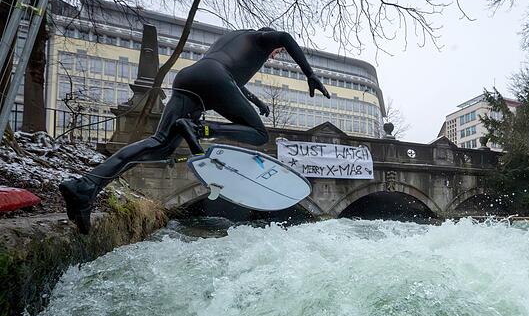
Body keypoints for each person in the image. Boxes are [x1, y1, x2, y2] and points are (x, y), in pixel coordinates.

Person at [59, 28, 330, 233]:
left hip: (189, 79)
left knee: (159, 144)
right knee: (259, 135)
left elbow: (230, 77)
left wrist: (256, 101)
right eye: (277, 52)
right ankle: (201, 128)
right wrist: (309, 73)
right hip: (214, 82)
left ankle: (86, 186)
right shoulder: (262, 38)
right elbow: (284, 36)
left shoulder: (232, 39)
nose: (275, 55)